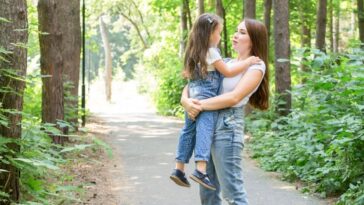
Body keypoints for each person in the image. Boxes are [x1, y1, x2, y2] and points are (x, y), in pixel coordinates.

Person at [181, 18, 269, 205]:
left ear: (254, 39)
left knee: (232, 194)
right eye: (236, 31)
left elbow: (234, 98)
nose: (236, 35)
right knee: (208, 192)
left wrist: (200, 105)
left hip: (228, 128)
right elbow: (194, 82)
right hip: (208, 123)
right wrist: (186, 101)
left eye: (242, 32)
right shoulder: (226, 62)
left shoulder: (256, 66)